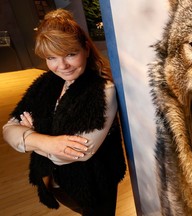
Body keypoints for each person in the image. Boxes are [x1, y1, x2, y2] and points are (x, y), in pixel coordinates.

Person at [2, 8, 126, 216]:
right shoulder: (45, 83)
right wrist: (47, 142)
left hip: (93, 185)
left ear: (86, 49)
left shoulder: (102, 90)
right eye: (51, 58)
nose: (62, 66)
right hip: (56, 183)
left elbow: (78, 154)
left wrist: (29, 137)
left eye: (70, 54)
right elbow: (8, 129)